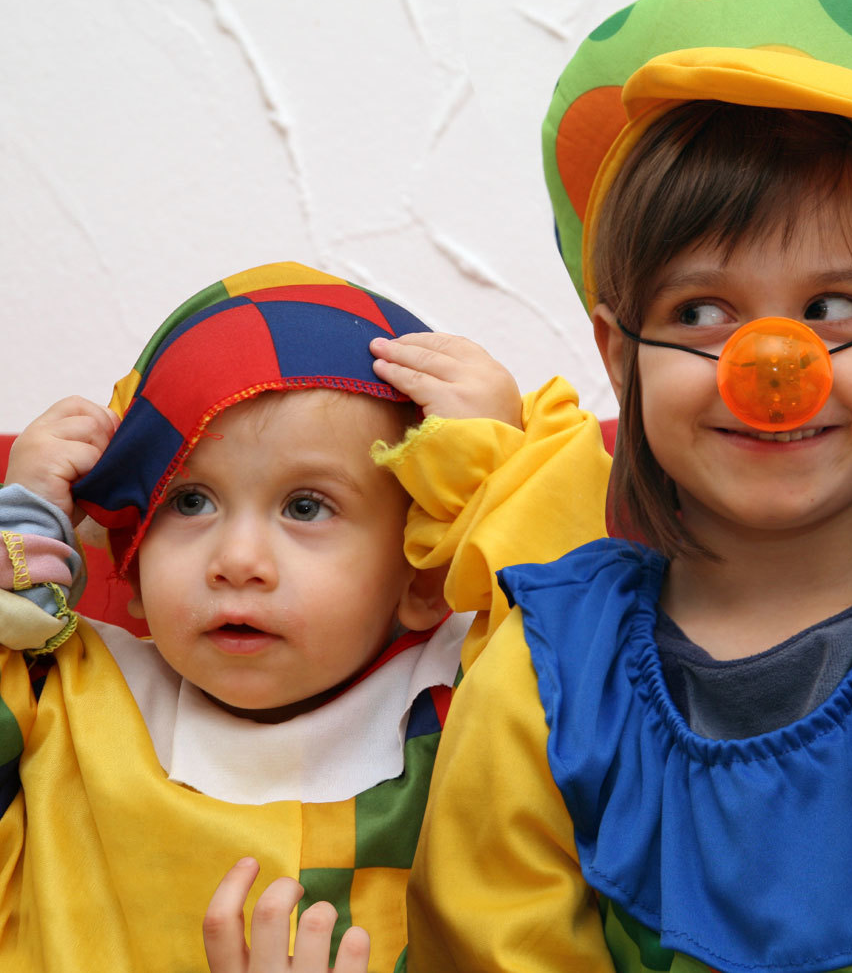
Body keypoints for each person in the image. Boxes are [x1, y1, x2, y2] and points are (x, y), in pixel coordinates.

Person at [403, 0, 852, 973]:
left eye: (834, 308)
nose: (771, 369)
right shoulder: (542, 681)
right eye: (702, 313)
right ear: (620, 356)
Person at [0, 261, 609, 973]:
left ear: (422, 578)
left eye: (306, 507)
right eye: (189, 501)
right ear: (131, 566)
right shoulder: (60, 696)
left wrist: (498, 466)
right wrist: (23, 541)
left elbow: (582, 641)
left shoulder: (464, 702)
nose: (237, 559)